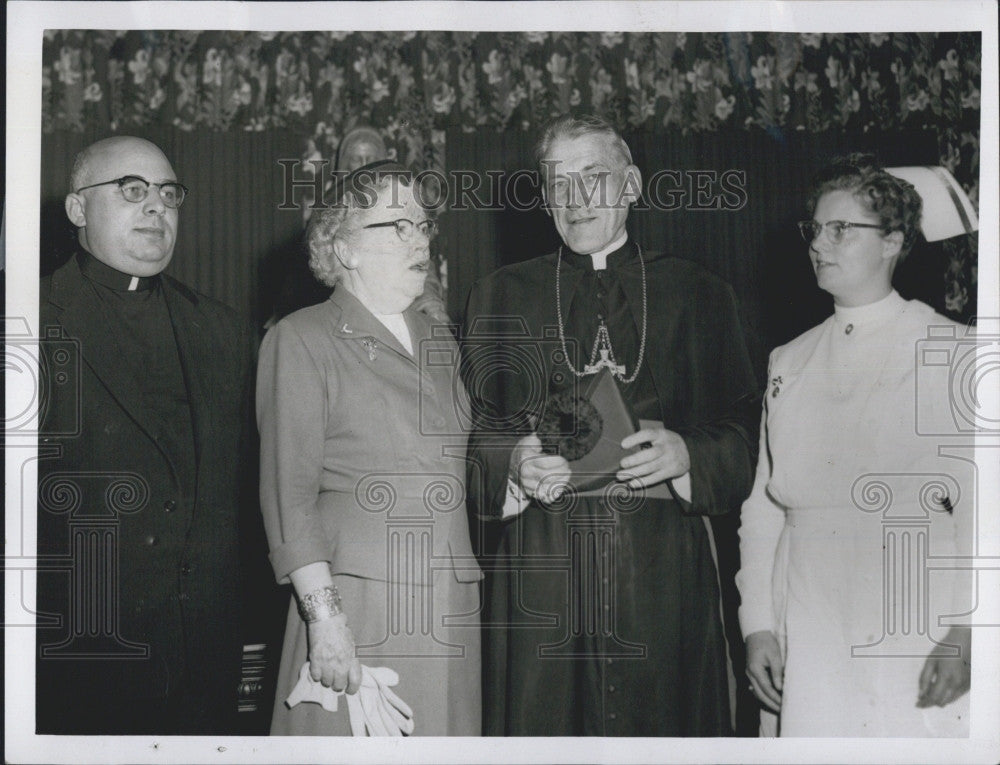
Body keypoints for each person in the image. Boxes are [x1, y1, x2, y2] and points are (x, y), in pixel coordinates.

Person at [461, 114, 760, 736]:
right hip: (543, 561)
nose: (575, 200)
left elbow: (743, 428)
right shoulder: (499, 294)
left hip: (660, 562)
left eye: (593, 177)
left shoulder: (699, 292)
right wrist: (513, 463)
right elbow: (474, 434)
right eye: (557, 184)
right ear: (544, 201)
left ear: (631, 185)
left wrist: (687, 453)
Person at [737, 154, 973, 736]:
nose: (820, 243)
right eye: (814, 229)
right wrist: (757, 623)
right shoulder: (788, 360)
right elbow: (766, 506)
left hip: (912, 613)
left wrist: (969, 629)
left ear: (893, 241)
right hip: (807, 613)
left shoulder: (953, 349)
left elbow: (981, 508)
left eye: (841, 229)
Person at [36, 136, 256, 734]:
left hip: (203, 665)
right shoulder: (27, 322)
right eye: (131, 191)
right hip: (78, 666)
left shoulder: (224, 331)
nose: (156, 207)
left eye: (168, 194)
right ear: (78, 209)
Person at [257, 160, 482, 736]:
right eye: (398, 225)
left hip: (448, 604)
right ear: (345, 247)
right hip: (359, 605)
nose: (421, 239)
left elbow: (458, 464)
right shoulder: (301, 338)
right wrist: (324, 621)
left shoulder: (441, 338)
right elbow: (291, 498)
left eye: (424, 224)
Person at [270, 124, 449, 326]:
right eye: (356, 158)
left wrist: (430, 303)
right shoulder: (325, 218)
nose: (363, 165)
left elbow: (417, 263)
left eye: (370, 159)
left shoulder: (400, 213)